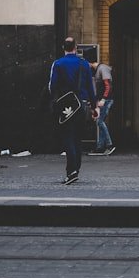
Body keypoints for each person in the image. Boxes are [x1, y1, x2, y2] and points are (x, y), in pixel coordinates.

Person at [49, 37, 98, 185]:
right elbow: (91, 87)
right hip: (82, 105)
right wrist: (94, 107)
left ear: (63, 48)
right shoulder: (84, 64)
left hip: (67, 106)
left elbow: (52, 86)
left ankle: (71, 172)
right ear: (76, 48)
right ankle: (76, 169)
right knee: (77, 138)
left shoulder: (57, 64)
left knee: (68, 137)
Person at [89, 60, 115, 155]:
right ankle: (100, 147)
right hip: (103, 100)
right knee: (100, 122)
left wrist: (103, 99)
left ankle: (109, 145)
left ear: (91, 63)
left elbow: (108, 86)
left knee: (100, 122)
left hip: (106, 100)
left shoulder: (102, 68)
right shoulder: (99, 70)